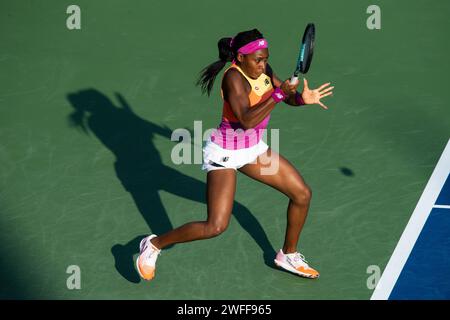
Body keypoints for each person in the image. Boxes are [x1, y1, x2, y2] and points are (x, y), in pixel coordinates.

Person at [136, 28, 333, 281]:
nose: (263, 65)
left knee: (302, 194)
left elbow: (285, 98)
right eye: (258, 60)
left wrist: (301, 99)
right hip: (224, 154)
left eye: (265, 58)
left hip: (252, 149)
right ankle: (154, 244)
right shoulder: (233, 78)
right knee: (215, 226)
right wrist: (281, 93)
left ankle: (288, 255)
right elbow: (247, 119)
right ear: (240, 58)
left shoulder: (263, 69)